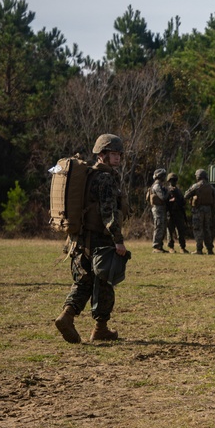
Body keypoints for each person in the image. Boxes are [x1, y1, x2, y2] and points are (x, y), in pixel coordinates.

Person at [54, 133, 130, 343]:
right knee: (105, 282)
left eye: (118, 154)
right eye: (113, 154)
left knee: (84, 281)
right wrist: (118, 239)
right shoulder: (105, 178)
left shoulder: (88, 174)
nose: (117, 157)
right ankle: (100, 328)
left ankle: (67, 316)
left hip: (80, 238)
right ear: (101, 155)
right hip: (99, 239)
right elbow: (108, 211)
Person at [184, 169, 215, 255]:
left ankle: (199, 249)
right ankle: (210, 249)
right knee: (207, 229)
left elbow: (186, 195)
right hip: (208, 211)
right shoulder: (211, 187)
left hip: (198, 210)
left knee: (198, 229)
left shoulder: (196, 186)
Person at [165, 172, 190, 253]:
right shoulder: (166, 190)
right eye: (172, 180)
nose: (173, 182)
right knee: (170, 231)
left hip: (178, 213)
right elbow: (164, 201)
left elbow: (183, 202)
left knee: (180, 231)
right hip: (170, 213)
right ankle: (171, 247)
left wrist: (178, 201)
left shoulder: (178, 191)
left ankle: (182, 247)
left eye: (174, 180)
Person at [148, 168, 168, 253]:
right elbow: (163, 197)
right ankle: (156, 246)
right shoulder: (157, 186)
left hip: (161, 209)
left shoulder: (159, 185)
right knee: (159, 226)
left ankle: (159, 246)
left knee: (162, 227)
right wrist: (168, 192)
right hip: (158, 209)